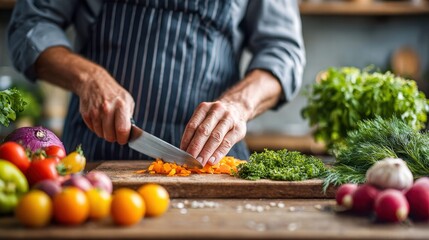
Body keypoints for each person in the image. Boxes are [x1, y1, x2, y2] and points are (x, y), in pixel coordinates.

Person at [8, 0, 305, 166]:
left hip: (213, 165)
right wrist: (88, 78)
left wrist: (239, 104)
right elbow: (31, 25)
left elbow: (283, 52)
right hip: (93, 163)